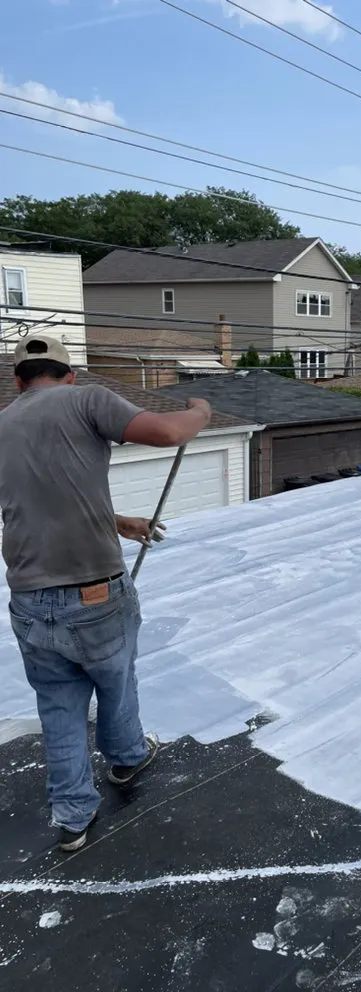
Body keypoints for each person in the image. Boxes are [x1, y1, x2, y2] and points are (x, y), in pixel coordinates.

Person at [0, 335, 212, 852]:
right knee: (115, 682)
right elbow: (165, 432)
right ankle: (126, 759)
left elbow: (32, 499)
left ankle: (73, 817)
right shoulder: (86, 399)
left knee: (58, 705)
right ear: (69, 375)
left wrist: (115, 521)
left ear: (18, 381)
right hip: (94, 595)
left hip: (30, 601)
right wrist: (200, 409)